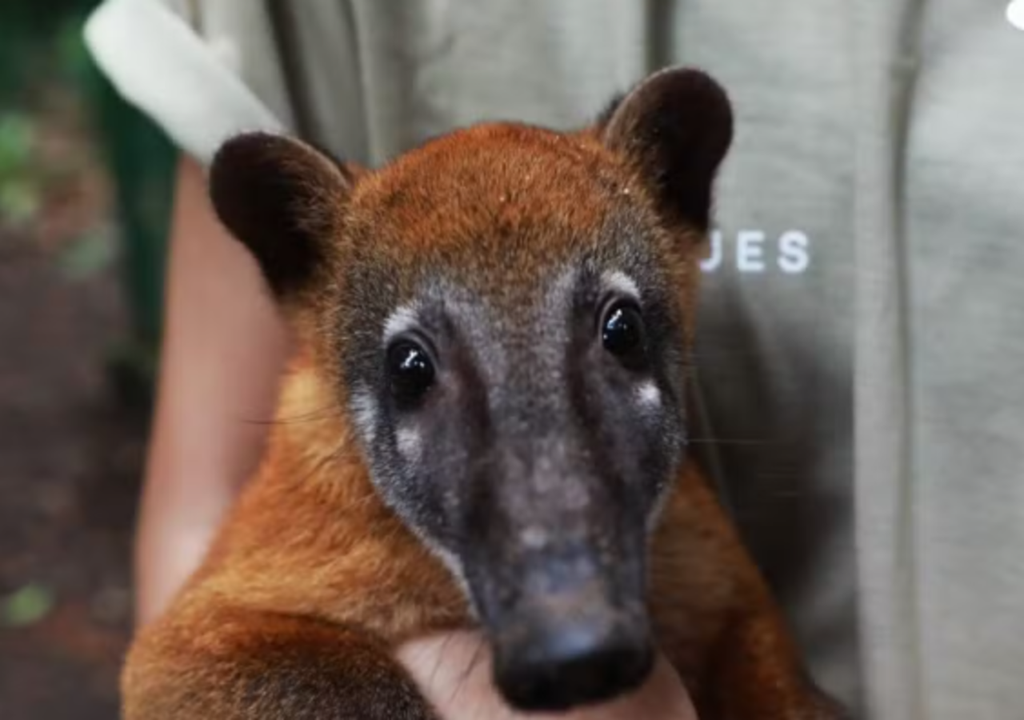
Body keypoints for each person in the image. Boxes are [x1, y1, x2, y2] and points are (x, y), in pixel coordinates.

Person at [84, 1, 1024, 718]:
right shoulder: (321, 505)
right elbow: (181, 671)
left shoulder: (685, 526)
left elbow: (735, 626)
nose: (561, 600)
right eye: (418, 375)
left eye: (616, 337)